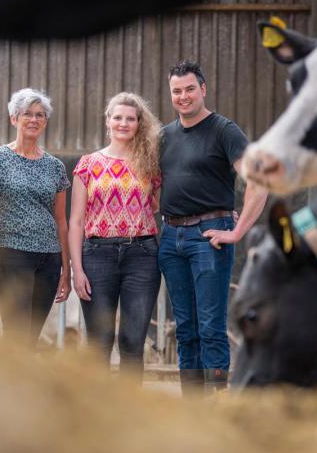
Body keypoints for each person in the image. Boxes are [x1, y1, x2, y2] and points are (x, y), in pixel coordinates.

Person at [158, 60, 268, 394]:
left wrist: (236, 231)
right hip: (170, 237)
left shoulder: (224, 130)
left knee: (210, 326)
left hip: (209, 235)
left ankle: (217, 399)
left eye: (190, 89)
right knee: (185, 327)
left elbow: (259, 181)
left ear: (203, 89)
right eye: (177, 91)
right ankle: (192, 405)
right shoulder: (163, 136)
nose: (183, 96)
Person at [69, 92, 163, 380]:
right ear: (107, 121)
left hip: (142, 256)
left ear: (139, 124)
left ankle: (129, 415)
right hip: (97, 256)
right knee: (99, 342)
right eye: (118, 117)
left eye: (130, 119)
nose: (124, 123)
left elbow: (161, 207)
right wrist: (77, 269)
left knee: (133, 342)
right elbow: (75, 221)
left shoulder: (150, 164)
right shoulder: (88, 164)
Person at [0, 88, 71, 347]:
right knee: (16, 332)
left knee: (31, 336)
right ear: (14, 118)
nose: (34, 120)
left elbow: (61, 220)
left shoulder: (55, 166)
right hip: (9, 252)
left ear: (45, 121)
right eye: (27, 114)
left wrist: (66, 268)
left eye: (40, 115)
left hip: (48, 258)